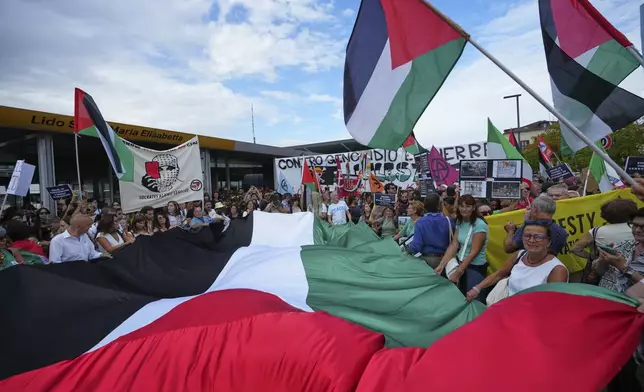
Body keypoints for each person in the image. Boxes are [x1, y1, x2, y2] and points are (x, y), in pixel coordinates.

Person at [466, 221, 569, 302]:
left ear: (548, 242)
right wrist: (477, 288)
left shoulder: (557, 270)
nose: (532, 240)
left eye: (538, 237)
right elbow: (498, 274)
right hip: (508, 312)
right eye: (527, 236)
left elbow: (553, 303)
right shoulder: (520, 255)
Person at [435, 195, 489, 300]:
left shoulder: (480, 225)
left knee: (472, 300)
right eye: (462, 206)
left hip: (474, 268)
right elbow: (454, 244)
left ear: (474, 207)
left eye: (467, 206)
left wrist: (458, 272)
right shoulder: (460, 221)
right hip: (460, 264)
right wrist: (441, 265)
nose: (464, 209)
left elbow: (474, 252)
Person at [571, 199, 638, 282]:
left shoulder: (596, 231)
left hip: (605, 275)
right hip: (636, 273)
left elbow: (575, 249)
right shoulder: (639, 230)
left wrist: (594, 257)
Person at [409, 194, 455, 268]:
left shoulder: (420, 221)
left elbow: (417, 246)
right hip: (445, 259)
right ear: (440, 205)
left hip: (426, 260)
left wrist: (408, 248)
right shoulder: (448, 220)